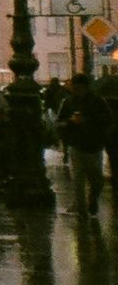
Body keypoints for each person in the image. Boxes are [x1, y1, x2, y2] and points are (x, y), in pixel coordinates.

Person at [56, 73, 113, 220]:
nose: (76, 90)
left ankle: (92, 199)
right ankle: (82, 211)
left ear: (86, 88)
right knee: (78, 180)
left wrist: (87, 121)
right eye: (74, 87)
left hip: (94, 145)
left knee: (97, 181)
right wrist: (70, 122)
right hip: (77, 145)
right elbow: (60, 122)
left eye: (79, 87)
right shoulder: (68, 102)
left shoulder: (97, 101)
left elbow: (106, 119)